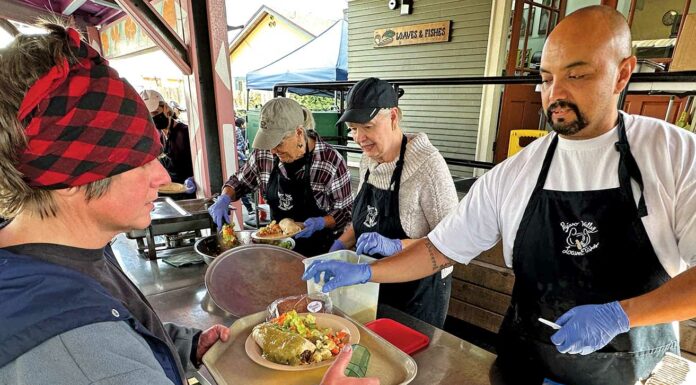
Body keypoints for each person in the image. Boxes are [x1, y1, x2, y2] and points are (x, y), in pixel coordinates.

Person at [304, 6, 696, 385]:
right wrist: (366, 271)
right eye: (545, 78)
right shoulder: (516, 171)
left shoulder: (674, 155)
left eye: (576, 75)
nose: (554, 94)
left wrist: (620, 315)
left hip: (633, 372)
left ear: (622, 73)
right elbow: (437, 250)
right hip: (525, 362)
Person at [0, 22, 373, 385]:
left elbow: (126, 334)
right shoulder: (76, 343)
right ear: (71, 176)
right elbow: (104, 359)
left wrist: (183, 347)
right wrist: (225, 196)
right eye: (139, 159)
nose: (162, 178)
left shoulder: (74, 255)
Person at [328, 77, 458, 328]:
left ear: (394, 117)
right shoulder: (368, 160)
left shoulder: (428, 166)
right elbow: (362, 220)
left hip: (416, 298)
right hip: (371, 289)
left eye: (367, 126)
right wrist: (337, 247)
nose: (359, 137)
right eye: (353, 128)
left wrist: (397, 246)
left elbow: (452, 246)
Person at [208, 97, 353, 256]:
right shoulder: (263, 154)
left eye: (278, 143)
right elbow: (239, 182)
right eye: (269, 143)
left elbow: (345, 212)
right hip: (277, 249)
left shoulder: (330, 161)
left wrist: (320, 222)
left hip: (319, 253)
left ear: (298, 132)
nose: (272, 151)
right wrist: (225, 197)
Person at [140, 89, 194, 187]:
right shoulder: (158, 136)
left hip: (187, 190)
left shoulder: (185, 133)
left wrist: (194, 179)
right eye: (149, 115)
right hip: (169, 189)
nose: (153, 118)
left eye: (156, 112)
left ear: (165, 107)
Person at [235, 116, 255, 214]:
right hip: (240, 160)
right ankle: (249, 208)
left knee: (242, 181)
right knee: (242, 182)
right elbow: (242, 145)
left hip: (237, 160)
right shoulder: (237, 130)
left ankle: (249, 208)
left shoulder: (235, 130)